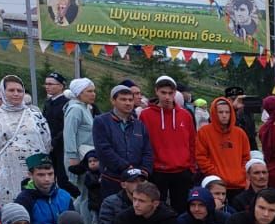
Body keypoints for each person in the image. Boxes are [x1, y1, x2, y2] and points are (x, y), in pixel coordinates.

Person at [0, 76, 51, 206]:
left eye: (19, 90)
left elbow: (46, 141)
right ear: (3, 92)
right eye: (11, 90)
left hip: (33, 169)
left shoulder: (35, 115)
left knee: (35, 204)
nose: (16, 94)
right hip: (4, 170)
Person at [139, 76, 195, 205]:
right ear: (156, 91)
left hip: (182, 171)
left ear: (175, 93)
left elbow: (192, 142)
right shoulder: (145, 115)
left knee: (181, 208)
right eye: (163, 93)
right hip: (158, 171)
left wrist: (191, 167)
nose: (167, 97)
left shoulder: (185, 115)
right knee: (156, 208)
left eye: (170, 93)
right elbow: (142, 143)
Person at [92, 82, 152, 194]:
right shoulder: (101, 121)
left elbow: (147, 150)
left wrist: (145, 170)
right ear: (113, 101)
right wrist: (125, 167)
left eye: (130, 100)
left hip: (138, 180)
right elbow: (103, 149)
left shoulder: (139, 125)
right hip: (113, 178)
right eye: (123, 99)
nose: (128, 103)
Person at [195, 97, 249, 195]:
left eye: (227, 112)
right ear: (214, 113)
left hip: (238, 184)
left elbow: (246, 158)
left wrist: (241, 174)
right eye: (220, 112)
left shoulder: (240, 133)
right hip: (216, 185)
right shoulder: (204, 132)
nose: (224, 115)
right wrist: (216, 174)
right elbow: (201, 157)